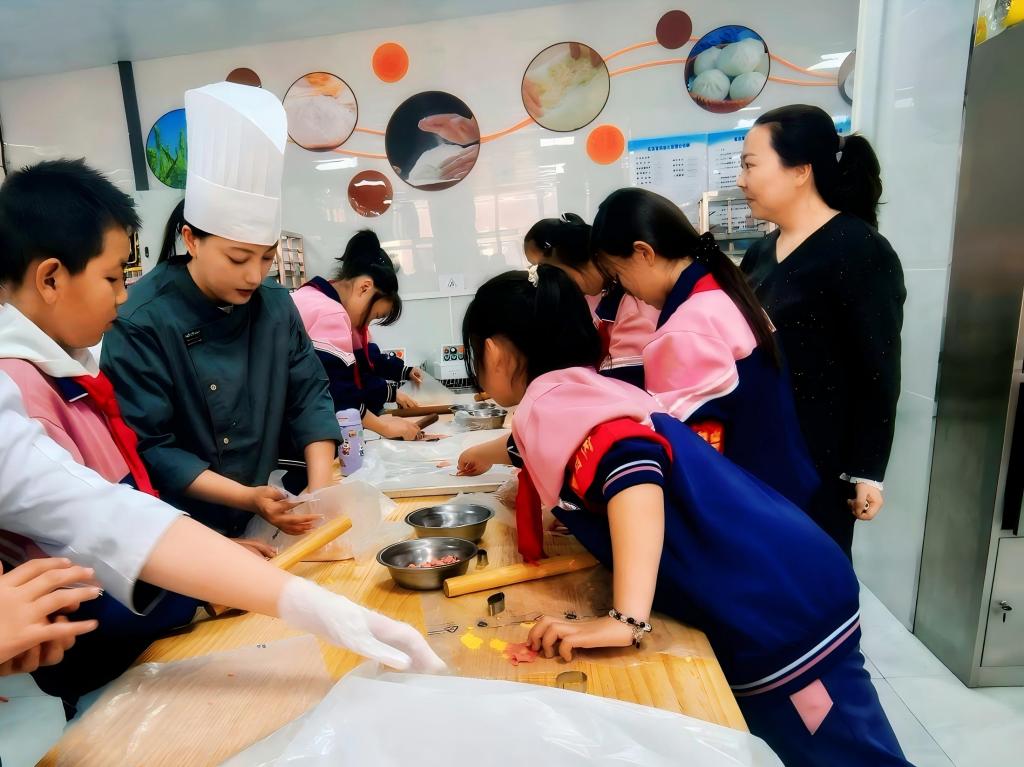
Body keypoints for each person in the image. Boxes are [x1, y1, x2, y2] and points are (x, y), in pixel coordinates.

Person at [458, 265, 909, 767]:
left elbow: (631, 466)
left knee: (848, 755)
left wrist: (625, 619)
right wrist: (483, 452)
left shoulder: (550, 404)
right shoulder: (577, 389)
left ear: (493, 352)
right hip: (777, 579)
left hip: (777, 608)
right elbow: (551, 444)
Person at [0, 370, 444, 685]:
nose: (119, 297)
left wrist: (328, 611)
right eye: (111, 278)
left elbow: (107, 517)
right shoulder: (30, 378)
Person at [101, 82, 340, 540]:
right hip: (179, 533)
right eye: (237, 258)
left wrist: (320, 491)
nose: (254, 275)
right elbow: (151, 446)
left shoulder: (275, 305)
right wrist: (247, 497)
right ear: (191, 239)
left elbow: (309, 395)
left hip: (257, 518)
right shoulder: (141, 320)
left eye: (266, 258)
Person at [738, 105, 906, 554]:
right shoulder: (760, 253)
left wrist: (867, 471)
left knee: (812, 572)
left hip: (821, 461)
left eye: (750, 165)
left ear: (800, 170)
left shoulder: (859, 250)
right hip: (761, 449)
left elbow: (878, 370)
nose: (741, 180)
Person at [591, 187, 820, 515]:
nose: (626, 289)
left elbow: (679, 448)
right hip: (780, 489)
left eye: (619, 274)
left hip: (748, 507)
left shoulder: (687, 327)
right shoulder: (720, 289)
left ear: (643, 253)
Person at [292, 229, 426, 441]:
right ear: (365, 287)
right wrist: (385, 426)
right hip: (295, 431)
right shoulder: (330, 313)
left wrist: (401, 373)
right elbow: (338, 392)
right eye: (374, 316)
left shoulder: (315, 296)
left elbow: (363, 363)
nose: (367, 324)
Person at [524, 213, 658, 387]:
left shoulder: (635, 303)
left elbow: (627, 385)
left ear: (565, 255)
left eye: (547, 270)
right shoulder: (597, 296)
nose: (549, 281)